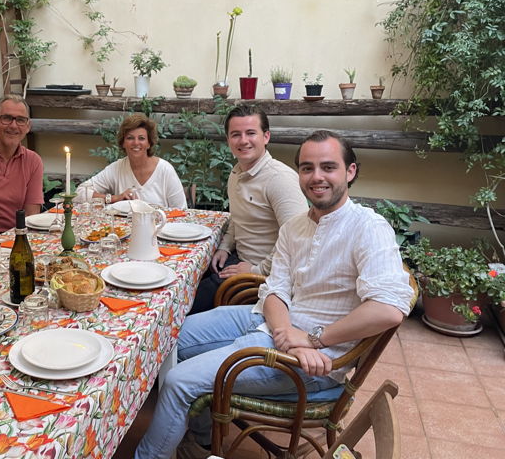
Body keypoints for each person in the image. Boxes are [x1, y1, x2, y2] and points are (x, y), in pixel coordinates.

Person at [135, 130, 413, 459]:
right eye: (307, 168)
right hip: (270, 323)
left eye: (328, 167)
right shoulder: (296, 226)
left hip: (315, 364)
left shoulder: (368, 227)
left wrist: (313, 340)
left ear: (350, 171)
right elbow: (274, 288)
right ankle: (202, 439)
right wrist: (285, 332)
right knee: (163, 342)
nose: (317, 177)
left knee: (179, 381)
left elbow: (389, 309)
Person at [189, 105, 307, 314]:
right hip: (239, 260)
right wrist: (225, 246)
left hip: (263, 279)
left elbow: (298, 241)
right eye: (236, 134)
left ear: (266, 136)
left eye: (251, 133)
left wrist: (255, 270)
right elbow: (237, 217)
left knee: (186, 305)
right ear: (228, 140)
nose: (243, 140)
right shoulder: (237, 173)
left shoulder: (280, 180)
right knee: (187, 279)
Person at [80, 113, 187, 208]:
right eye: (130, 138)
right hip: (123, 229)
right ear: (123, 142)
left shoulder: (165, 170)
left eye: (141, 138)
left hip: (159, 228)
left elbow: (182, 211)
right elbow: (80, 193)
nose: (136, 143)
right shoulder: (117, 168)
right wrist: (115, 198)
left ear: (149, 143)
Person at [0, 95, 44, 234]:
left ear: (28, 126)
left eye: (20, 120)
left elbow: (32, 217)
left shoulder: (33, 161)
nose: (13, 125)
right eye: (6, 118)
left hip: (14, 236)